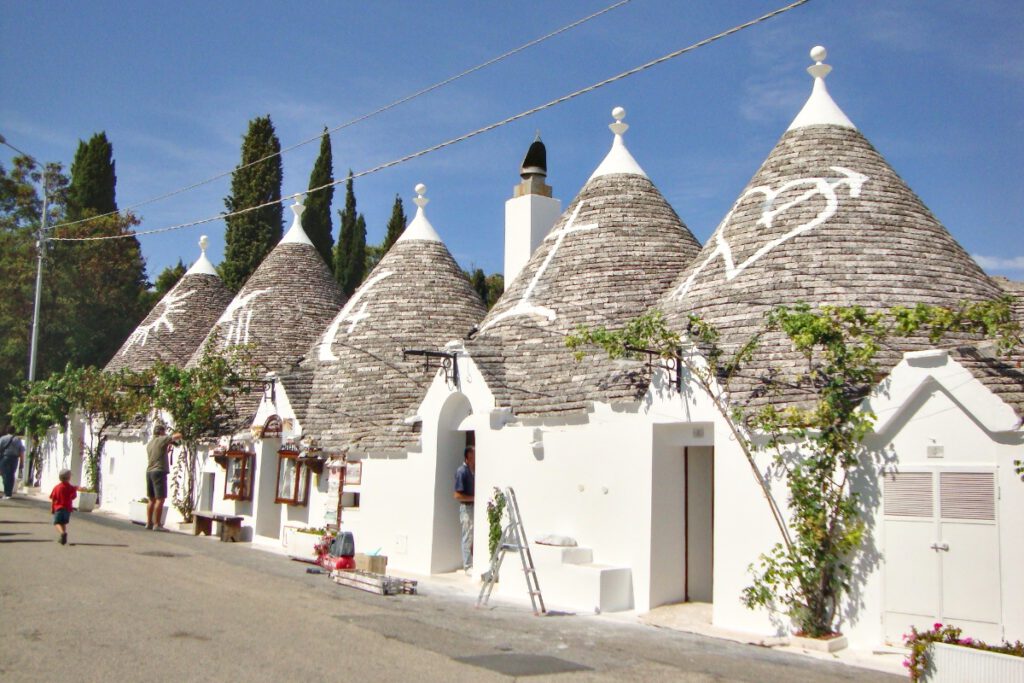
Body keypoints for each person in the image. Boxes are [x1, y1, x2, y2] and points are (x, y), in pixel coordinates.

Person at [145, 425, 181, 530]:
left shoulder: (150, 443)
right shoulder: (162, 439)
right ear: (161, 432)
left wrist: (166, 451)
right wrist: (168, 437)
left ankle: (149, 523)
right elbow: (178, 436)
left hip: (149, 471)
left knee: (151, 499)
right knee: (160, 499)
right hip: (159, 471)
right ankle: (157, 524)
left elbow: (157, 455)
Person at [453, 445, 475, 573]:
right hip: (466, 509)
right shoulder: (462, 471)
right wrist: (474, 498)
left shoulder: (471, 472)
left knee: (471, 535)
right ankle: (467, 566)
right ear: (467, 458)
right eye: (473, 457)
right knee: (467, 536)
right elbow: (457, 495)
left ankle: (470, 563)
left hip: (471, 507)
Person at [49, 468, 77, 545]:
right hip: (67, 509)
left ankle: (62, 533)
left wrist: (52, 508)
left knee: (57, 523)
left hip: (58, 508)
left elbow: (53, 498)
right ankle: (62, 536)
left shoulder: (57, 487)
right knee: (63, 523)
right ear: (69, 478)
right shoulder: (71, 488)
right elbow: (74, 496)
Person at [0, 425, 25, 499]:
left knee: (5, 475)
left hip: (5, 458)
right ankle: (9, 493)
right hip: (14, 459)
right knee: (11, 475)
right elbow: (21, 452)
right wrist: (22, 463)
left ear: (7, 431)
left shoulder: (2, 438)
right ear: (14, 431)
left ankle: (7, 493)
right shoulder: (18, 440)